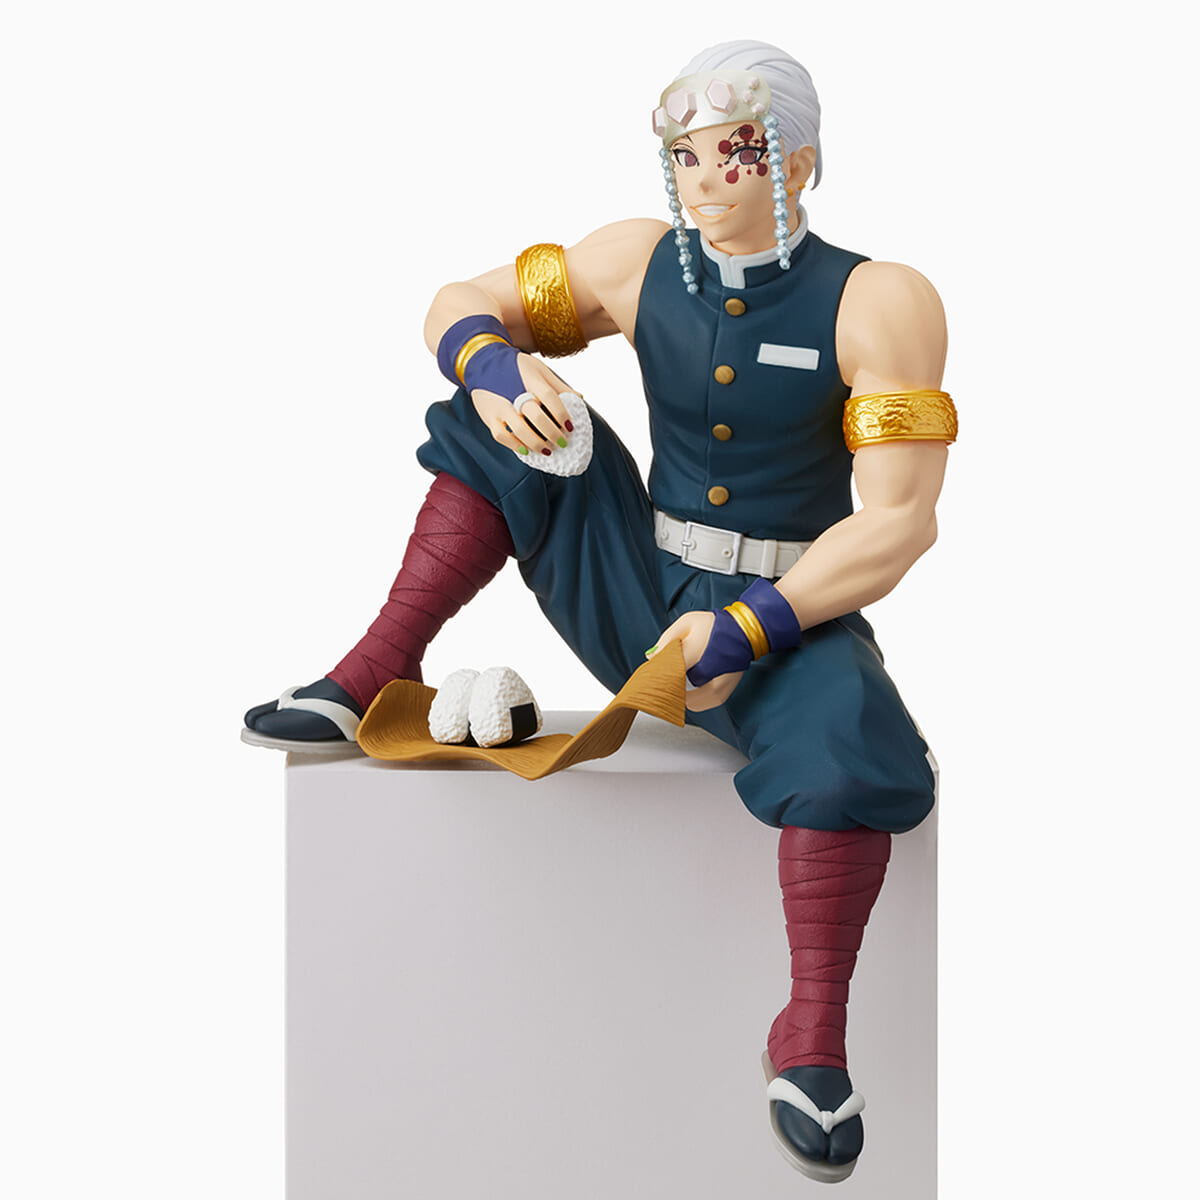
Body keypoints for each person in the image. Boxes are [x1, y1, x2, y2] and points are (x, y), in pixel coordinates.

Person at [244, 39, 955, 1182]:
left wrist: (750, 628)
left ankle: (810, 1038)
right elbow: (456, 303)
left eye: (732, 151)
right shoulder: (633, 261)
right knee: (514, 423)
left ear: (796, 161)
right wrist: (492, 368)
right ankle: (374, 669)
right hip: (637, 588)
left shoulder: (881, 300)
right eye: (684, 153)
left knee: (849, 746)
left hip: (790, 621)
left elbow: (900, 522)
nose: (701, 176)